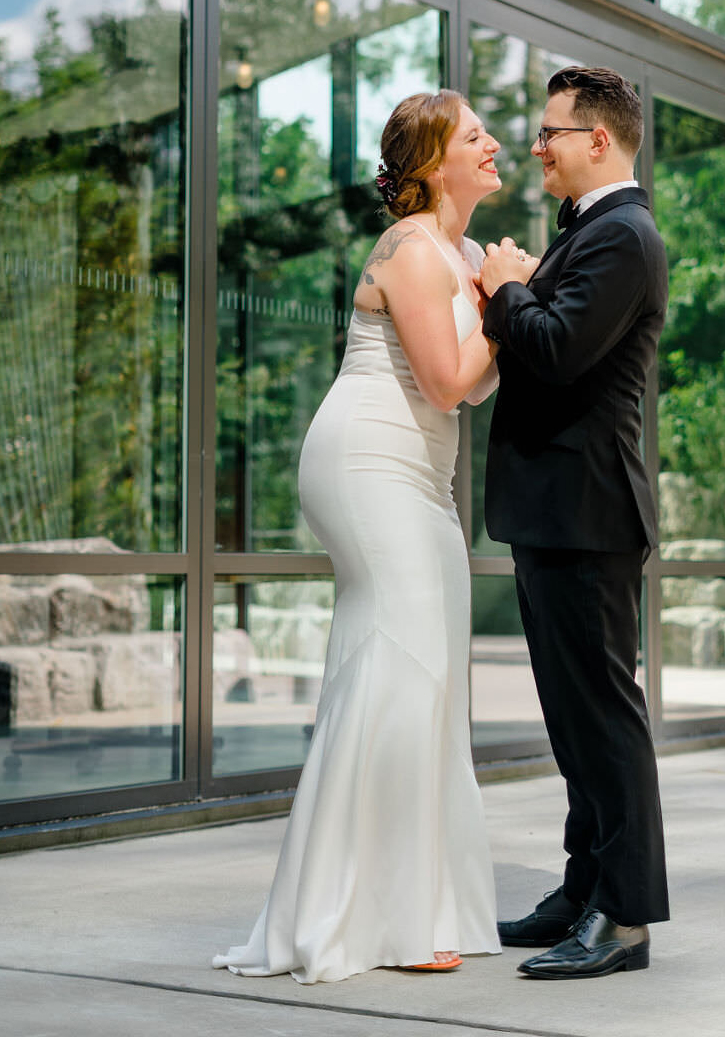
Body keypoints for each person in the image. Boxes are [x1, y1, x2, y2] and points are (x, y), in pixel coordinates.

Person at [215, 90, 517, 983]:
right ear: (431, 164)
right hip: (367, 461)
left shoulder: (461, 252)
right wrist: (511, 302)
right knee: (403, 664)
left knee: (423, 673)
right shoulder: (413, 250)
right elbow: (449, 382)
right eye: (475, 135)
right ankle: (374, 916)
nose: (494, 144)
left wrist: (503, 293)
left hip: (424, 476)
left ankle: (415, 903)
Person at [479, 65, 669, 980]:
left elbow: (553, 352)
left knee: (603, 719)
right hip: (555, 512)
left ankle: (624, 920)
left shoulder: (624, 236)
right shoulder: (590, 230)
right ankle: (582, 887)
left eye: (549, 131)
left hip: (590, 515)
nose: (536, 147)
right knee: (571, 720)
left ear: (598, 140)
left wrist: (506, 287)